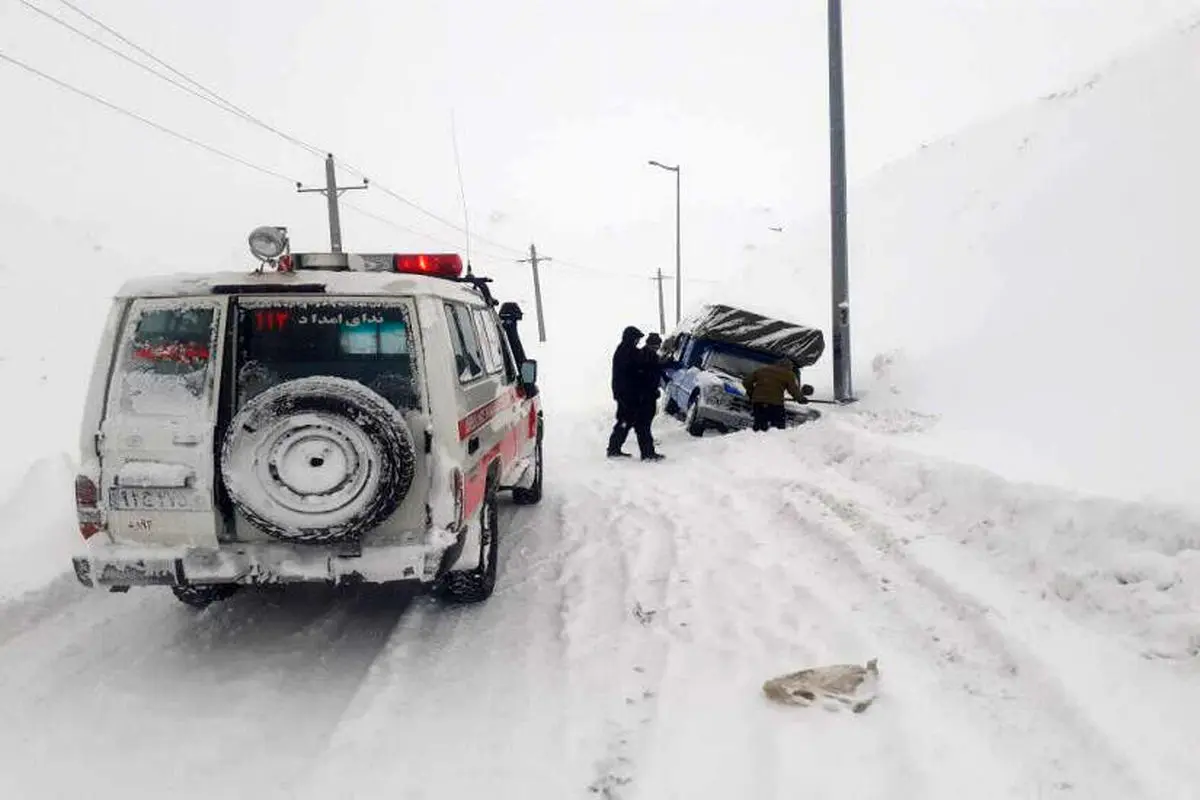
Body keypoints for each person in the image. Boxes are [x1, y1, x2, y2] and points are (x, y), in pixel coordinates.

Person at [607, 326, 663, 460]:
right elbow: (636, 371)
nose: (638, 342)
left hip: (627, 394)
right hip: (628, 395)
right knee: (637, 423)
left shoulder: (626, 350)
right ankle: (647, 453)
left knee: (629, 422)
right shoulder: (627, 352)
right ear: (631, 338)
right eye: (637, 339)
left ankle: (615, 449)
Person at [743, 357, 808, 432]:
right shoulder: (788, 374)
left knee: (759, 426)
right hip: (775, 404)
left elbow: (746, 382)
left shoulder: (762, 370)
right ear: (789, 367)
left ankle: (756, 440)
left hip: (758, 402)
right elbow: (793, 390)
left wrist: (752, 393)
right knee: (778, 428)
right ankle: (776, 441)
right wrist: (801, 399)